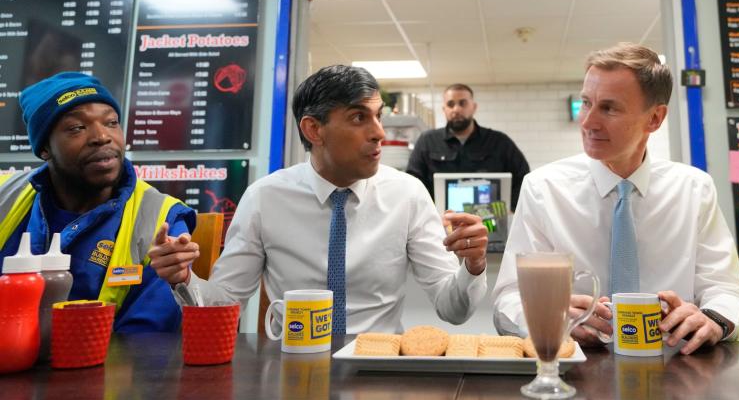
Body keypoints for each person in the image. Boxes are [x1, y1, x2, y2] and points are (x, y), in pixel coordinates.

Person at [148, 65, 489, 333]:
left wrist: (472, 267)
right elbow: (224, 304)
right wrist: (184, 279)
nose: (379, 133)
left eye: (378, 116)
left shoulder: (408, 194)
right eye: (359, 117)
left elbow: (453, 310)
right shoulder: (265, 198)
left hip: (376, 370)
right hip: (291, 369)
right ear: (314, 130)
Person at [492, 43, 739, 354]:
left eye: (609, 108)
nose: (588, 122)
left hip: (677, 366)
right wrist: (549, 317)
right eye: (586, 103)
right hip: (576, 371)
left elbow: (728, 288)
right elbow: (508, 299)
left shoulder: (694, 189)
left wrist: (712, 319)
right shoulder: (543, 189)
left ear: (654, 119)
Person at [0, 72, 196, 333]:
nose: (102, 136)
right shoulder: (6, 195)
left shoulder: (161, 219)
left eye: (112, 123)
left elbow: (146, 339)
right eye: (77, 128)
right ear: (44, 148)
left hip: (104, 369)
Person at [406, 83, 530, 211]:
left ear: (474, 107)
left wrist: (511, 209)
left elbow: (523, 177)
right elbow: (413, 182)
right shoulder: (427, 141)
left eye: (462, 103)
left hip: (489, 222)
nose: (456, 109)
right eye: (450, 104)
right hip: (441, 223)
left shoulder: (498, 142)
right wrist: (426, 212)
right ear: (444, 109)